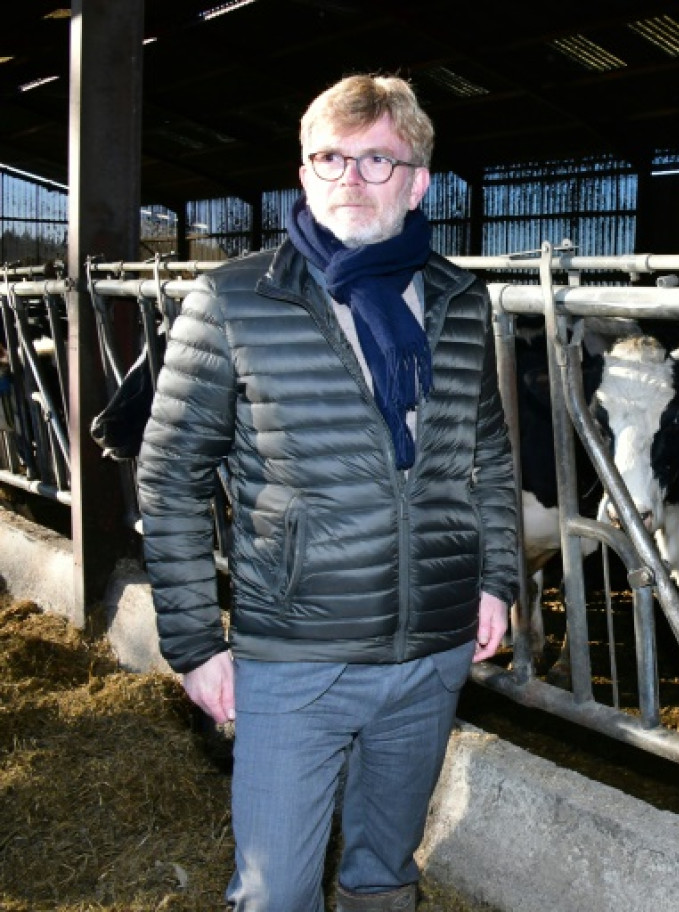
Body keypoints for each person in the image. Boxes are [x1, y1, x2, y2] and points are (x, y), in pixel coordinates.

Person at [137, 74, 520, 912]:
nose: (349, 177)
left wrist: (495, 580)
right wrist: (196, 644)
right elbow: (169, 478)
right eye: (330, 158)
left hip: (430, 649)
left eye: (377, 159)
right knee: (275, 892)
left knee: (385, 873)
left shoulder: (459, 300)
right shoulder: (234, 300)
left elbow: (486, 450)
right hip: (295, 654)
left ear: (419, 180)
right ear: (303, 172)